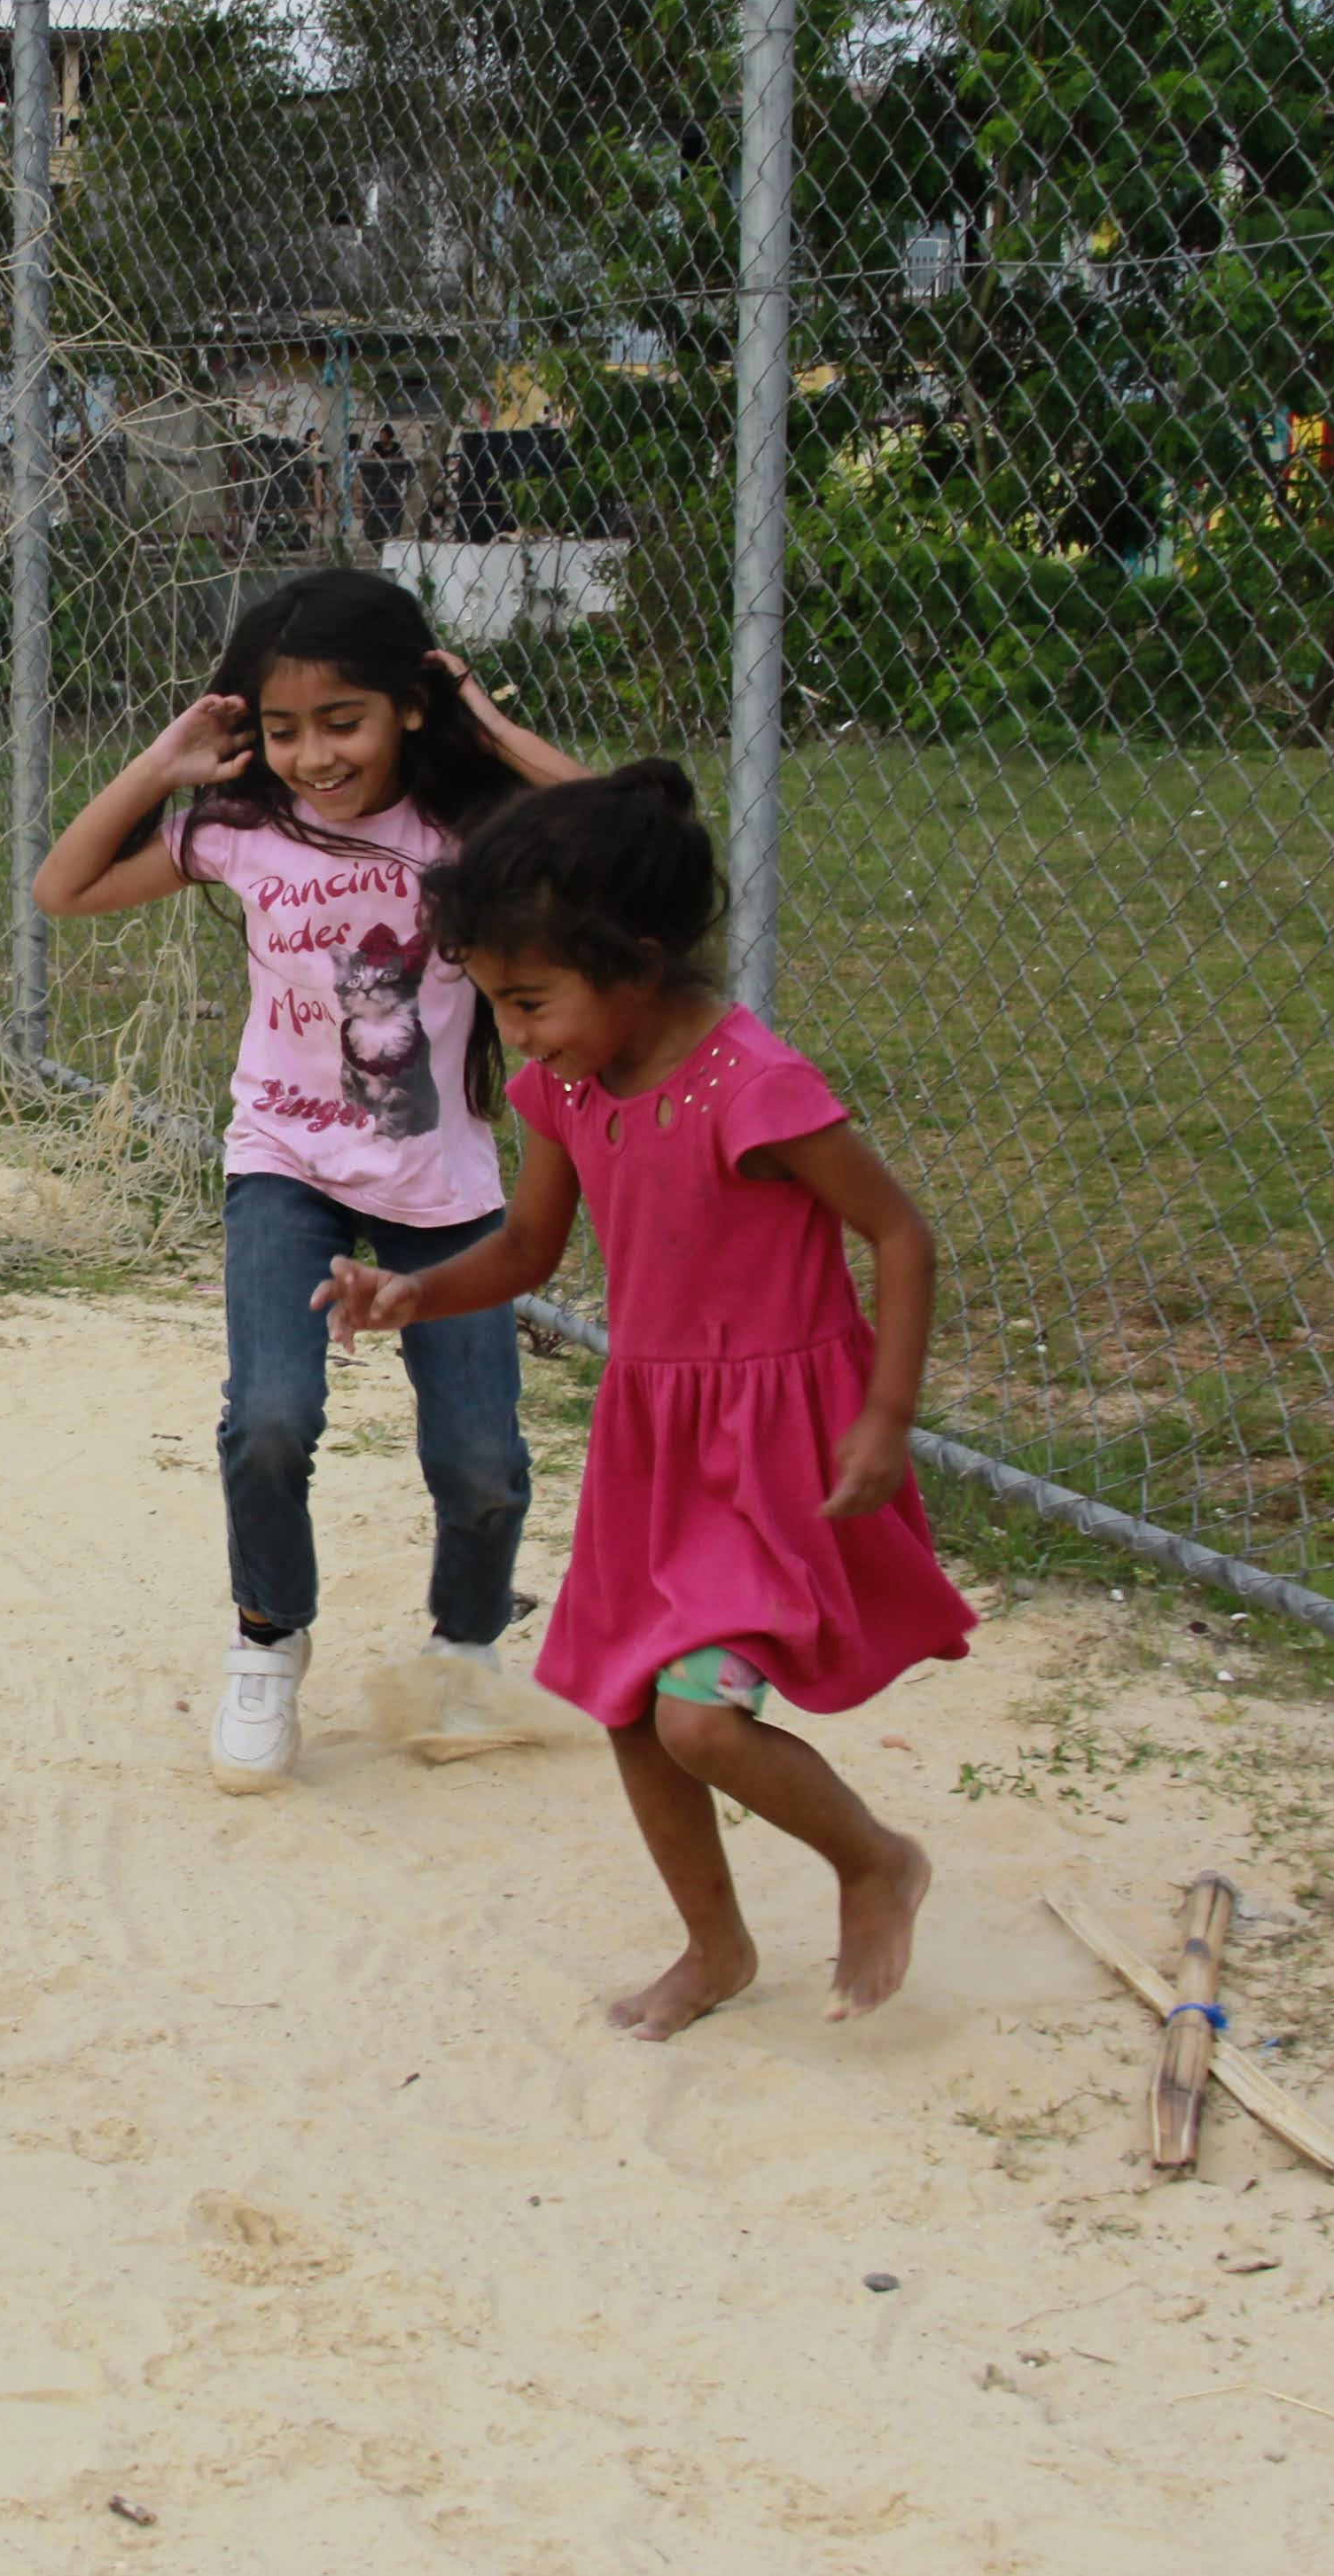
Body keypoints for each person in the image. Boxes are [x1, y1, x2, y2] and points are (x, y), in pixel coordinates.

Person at [317, 761, 972, 2031]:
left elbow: (899, 1236)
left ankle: (873, 1858)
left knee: (703, 1722)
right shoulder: (562, 1090)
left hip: (772, 1439)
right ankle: (714, 1946)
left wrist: (885, 1417)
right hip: (651, 1435)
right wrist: (411, 1290)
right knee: (628, 1703)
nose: (517, 1031)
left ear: (639, 958)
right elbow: (524, 1252)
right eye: (499, 1004)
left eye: (531, 998)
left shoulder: (754, 1085)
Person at [31, 566, 591, 1791]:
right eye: (282, 729)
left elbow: (620, 824)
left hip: (439, 1181)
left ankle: (463, 1651)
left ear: (406, 708)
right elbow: (60, 887)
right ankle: (266, 1643)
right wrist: (162, 762)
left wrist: (482, 717)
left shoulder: (466, 830)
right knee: (269, 1418)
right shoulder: (238, 828)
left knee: (482, 1465)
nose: (311, 754)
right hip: (282, 1163)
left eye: (342, 720)